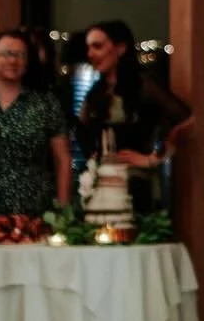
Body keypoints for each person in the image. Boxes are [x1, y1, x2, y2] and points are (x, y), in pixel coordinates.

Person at [78, 19, 191, 216]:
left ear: (120, 48)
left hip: (137, 187)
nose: (91, 54)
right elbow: (82, 132)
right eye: (88, 48)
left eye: (97, 46)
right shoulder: (95, 94)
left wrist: (152, 159)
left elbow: (187, 120)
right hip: (101, 187)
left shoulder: (144, 86)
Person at [0, 28, 71, 218]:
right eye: (6, 53)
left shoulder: (45, 103)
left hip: (33, 208)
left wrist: (63, 210)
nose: (13, 60)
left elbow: (62, 158)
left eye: (20, 55)